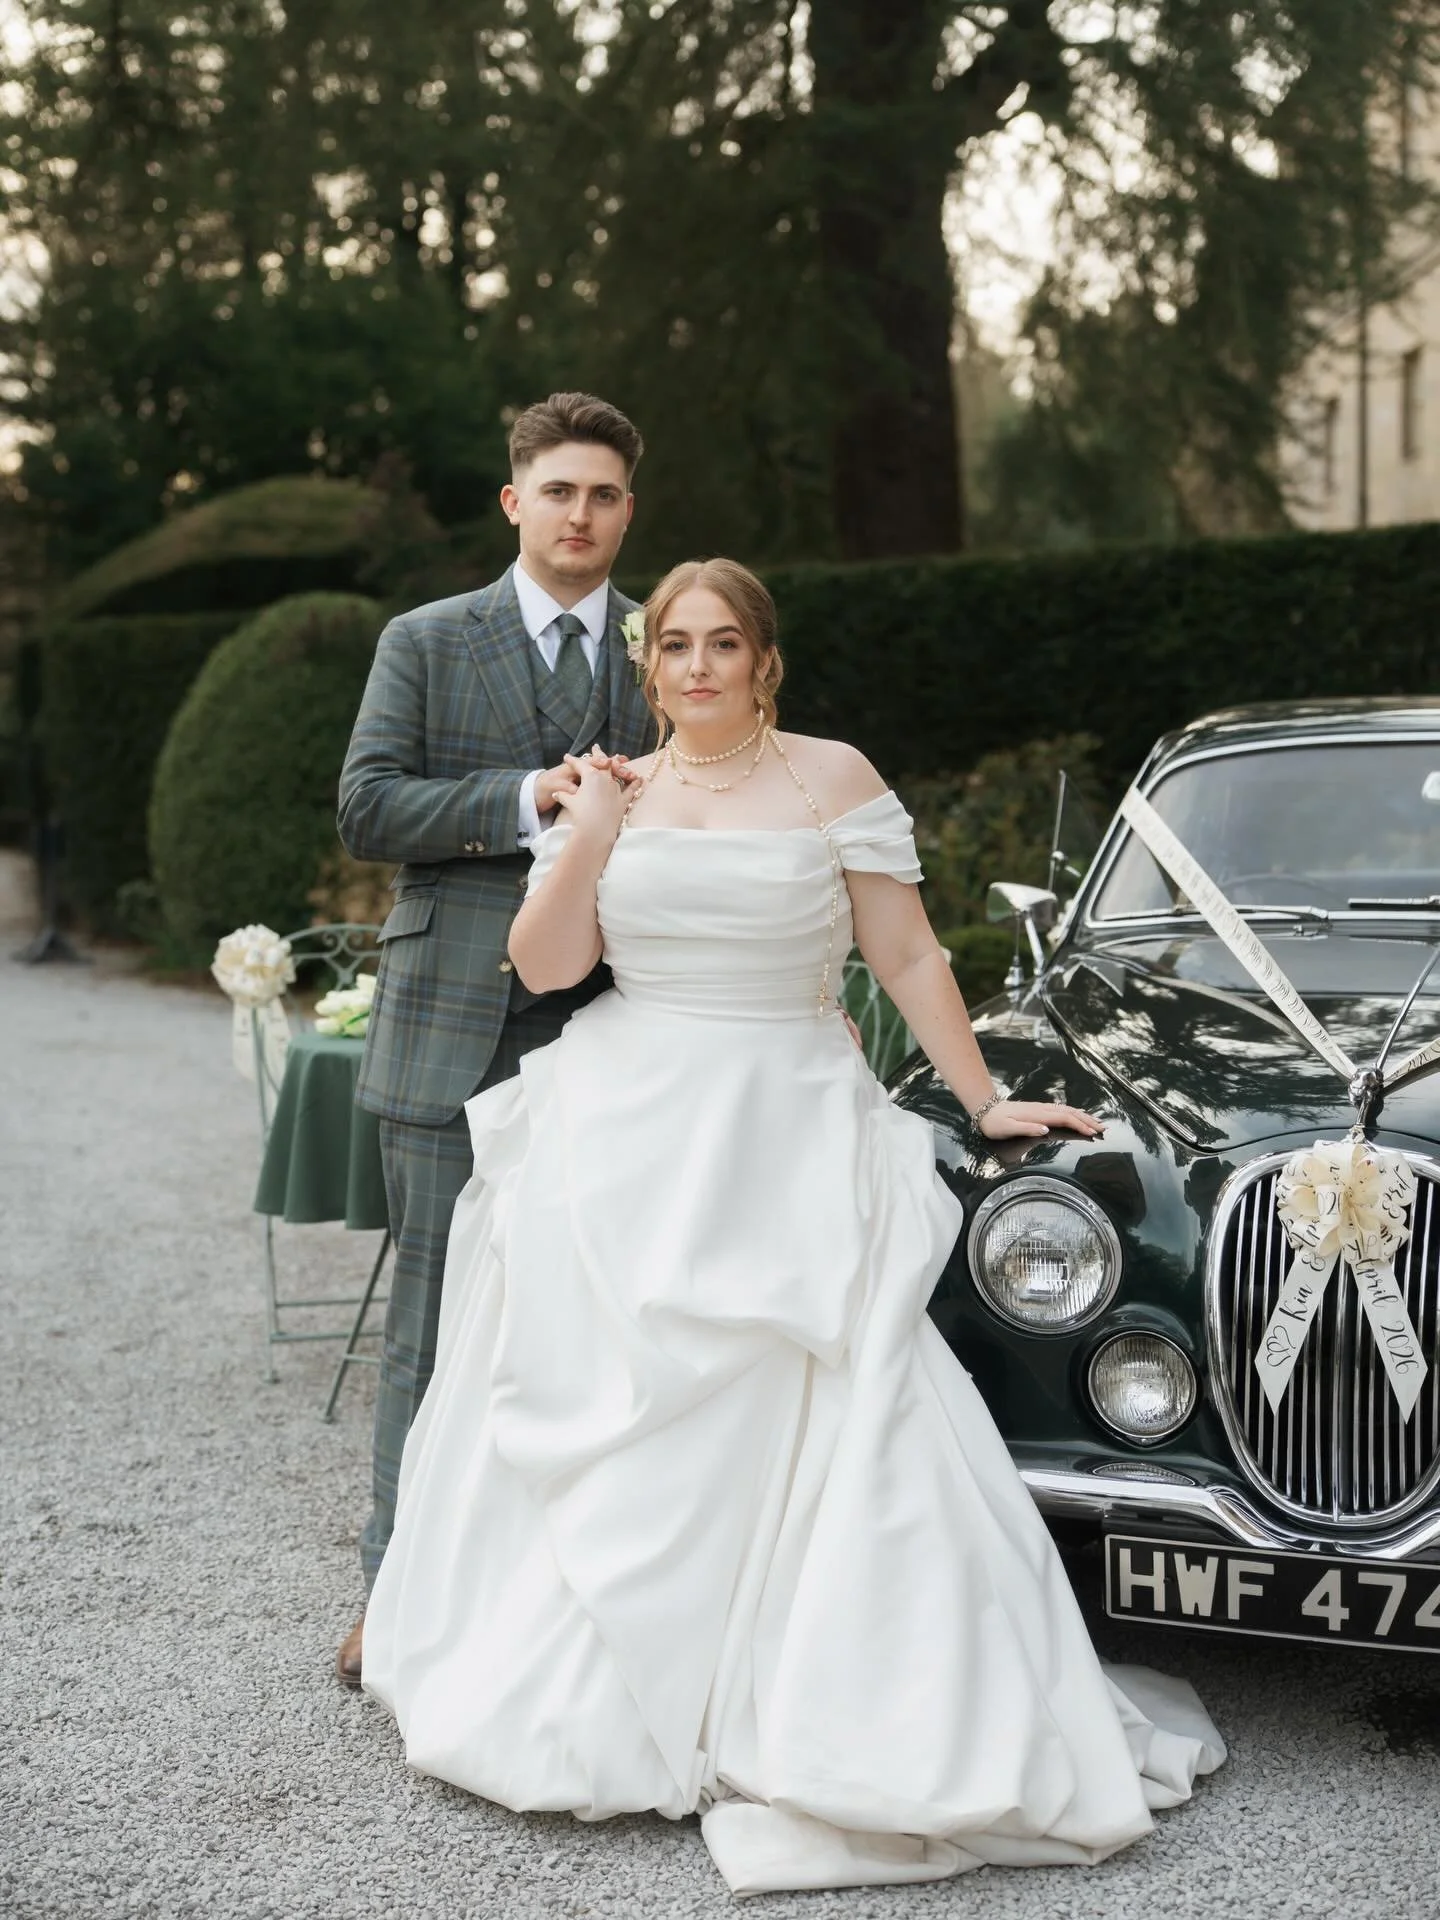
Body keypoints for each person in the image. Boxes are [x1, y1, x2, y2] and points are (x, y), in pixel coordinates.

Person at [362, 558, 1225, 1895]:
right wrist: (586, 829)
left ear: (766, 662)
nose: (697, 666)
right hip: (626, 1117)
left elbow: (907, 957)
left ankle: (816, 1699)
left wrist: (987, 1100)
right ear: (650, 670)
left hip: (789, 1118)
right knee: (592, 1390)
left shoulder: (835, 780)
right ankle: (607, 1700)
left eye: (723, 644)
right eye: (675, 649)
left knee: (832, 1394)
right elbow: (547, 967)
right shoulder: (619, 790)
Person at [333, 392, 654, 1687]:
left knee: (595, 1331)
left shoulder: (669, 645)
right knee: (432, 1329)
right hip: (450, 1031)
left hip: (621, 1042)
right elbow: (366, 806)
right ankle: (391, 1600)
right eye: (560, 491)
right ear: (515, 500)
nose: (582, 516)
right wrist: (525, 797)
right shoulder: (427, 639)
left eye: (607, 495)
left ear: (631, 511)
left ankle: (564, 1607)